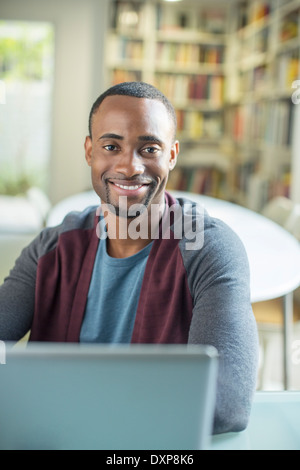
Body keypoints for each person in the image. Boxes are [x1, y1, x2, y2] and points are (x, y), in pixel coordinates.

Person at [0, 81, 258, 434]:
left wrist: (57, 404)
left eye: (149, 148)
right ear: (90, 151)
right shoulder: (52, 248)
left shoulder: (208, 249)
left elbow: (226, 403)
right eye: (111, 146)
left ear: (172, 154)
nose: (130, 166)